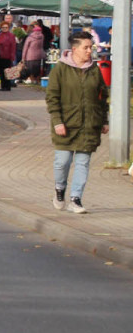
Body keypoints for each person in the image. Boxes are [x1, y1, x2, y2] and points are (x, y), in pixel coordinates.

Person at [46, 31, 109, 214]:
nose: (90, 51)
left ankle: (76, 199)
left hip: (89, 125)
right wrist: (58, 121)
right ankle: (59, 188)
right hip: (66, 125)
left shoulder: (94, 70)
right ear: (74, 49)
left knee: (83, 163)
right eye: (86, 47)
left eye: (91, 47)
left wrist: (104, 120)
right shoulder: (60, 69)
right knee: (62, 162)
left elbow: (102, 97)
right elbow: (52, 97)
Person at [0, 20, 18, 91]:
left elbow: (13, 47)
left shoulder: (11, 36)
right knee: (1, 72)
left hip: (7, 56)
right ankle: (3, 86)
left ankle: (8, 86)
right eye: (3, 27)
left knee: (7, 72)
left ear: (8, 28)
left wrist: (12, 57)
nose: (4, 29)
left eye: (6, 27)